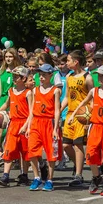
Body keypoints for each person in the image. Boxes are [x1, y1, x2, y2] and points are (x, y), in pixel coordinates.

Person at [69, 65, 103, 197]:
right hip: (95, 126)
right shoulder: (94, 91)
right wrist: (73, 115)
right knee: (90, 154)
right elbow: (83, 103)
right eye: (98, 75)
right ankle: (96, 177)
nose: (100, 78)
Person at [26, 63, 62, 191]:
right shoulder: (35, 90)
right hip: (36, 122)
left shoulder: (55, 90)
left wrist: (56, 128)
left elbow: (57, 110)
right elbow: (31, 110)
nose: (41, 77)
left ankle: (50, 179)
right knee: (31, 151)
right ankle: (36, 177)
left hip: (49, 122)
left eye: (44, 75)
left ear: (51, 75)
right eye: (40, 75)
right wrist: (29, 126)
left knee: (51, 153)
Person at [0, 66, 32, 187]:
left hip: (24, 123)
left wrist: (26, 125)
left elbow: (32, 112)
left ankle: (24, 174)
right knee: (9, 149)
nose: (14, 78)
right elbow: (6, 105)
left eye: (17, 76)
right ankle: (5, 175)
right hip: (13, 123)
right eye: (14, 76)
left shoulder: (28, 93)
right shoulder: (11, 91)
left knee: (25, 151)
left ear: (24, 78)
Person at [60, 50, 92, 187]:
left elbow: (92, 97)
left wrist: (89, 117)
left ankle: (78, 175)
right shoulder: (69, 77)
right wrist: (59, 110)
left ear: (76, 61)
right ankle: (76, 165)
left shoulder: (87, 77)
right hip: (70, 114)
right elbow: (67, 97)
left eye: (68, 60)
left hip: (81, 115)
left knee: (78, 145)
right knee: (66, 145)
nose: (66, 63)